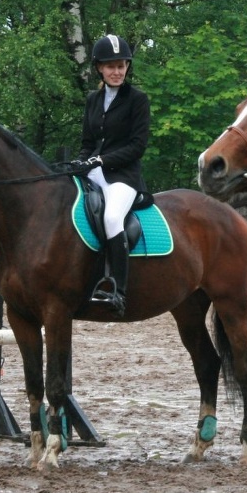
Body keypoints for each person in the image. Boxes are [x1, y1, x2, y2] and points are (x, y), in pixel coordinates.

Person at [78, 33, 151, 316]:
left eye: (122, 65)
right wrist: (79, 162)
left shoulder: (137, 100)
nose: (117, 71)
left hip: (124, 177)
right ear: (99, 68)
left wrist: (101, 159)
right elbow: (87, 143)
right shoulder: (93, 100)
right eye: (111, 66)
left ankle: (118, 290)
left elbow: (137, 146)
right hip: (94, 173)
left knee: (111, 217)